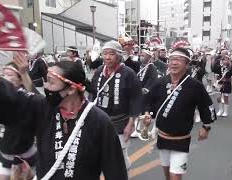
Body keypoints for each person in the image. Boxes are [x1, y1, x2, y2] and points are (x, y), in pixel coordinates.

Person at [0, 29, 127, 180]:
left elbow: (115, 171)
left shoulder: (99, 121)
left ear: (71, 89)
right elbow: (8, 95)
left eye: (51, 83)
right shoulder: (44, 108)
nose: (46, 87)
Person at [144, 47, 216, 180]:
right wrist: (148, 113)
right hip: (162, 137)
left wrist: (206, 127)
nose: (174, 63)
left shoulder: (195, 85)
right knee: (167, 173)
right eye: (172, 59)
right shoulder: (160, 82)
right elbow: (149, 100)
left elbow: (206, 106)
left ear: (187, 64)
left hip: (181, 140)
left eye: (179, 60)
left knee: (175, 176)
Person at [90, 40, 142, 170]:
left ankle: (123, 172)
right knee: (105, 154)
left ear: (119, 55)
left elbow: (135, 99)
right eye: (105, 53)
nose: (107, 57)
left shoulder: (129, 73)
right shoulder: (99, 71)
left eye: (111, 54)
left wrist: (130, 125)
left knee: (118, 154)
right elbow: (93, 94)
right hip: (101, 121)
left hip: (121, 121)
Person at [131, 49, 158, 138]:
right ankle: (136, 129)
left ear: (149, 57)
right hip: (137, 92)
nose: (142, 57)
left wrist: (146, 88)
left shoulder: (152, 67)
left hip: (146, 94)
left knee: (147, 112)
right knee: (137, 112)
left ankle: (152, 128)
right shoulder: (137, 65)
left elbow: (152, 79)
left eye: (144, 55)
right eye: (141, 55)